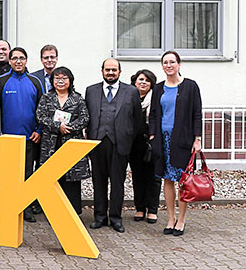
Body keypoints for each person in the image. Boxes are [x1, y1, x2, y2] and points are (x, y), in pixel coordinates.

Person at [85, 58, 141, 233]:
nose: (110, 73)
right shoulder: (91, 91)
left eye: (114, 70)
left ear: (120, 72)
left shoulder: (131, 91)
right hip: (97, 142)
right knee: (98, 181)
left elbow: (137, 119)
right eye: (107, 69)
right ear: (102, 71)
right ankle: (100, 216)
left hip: (120, 143)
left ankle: (116, 217)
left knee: (117, 182)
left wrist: (129, 138)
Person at [149, 51, 202, 237]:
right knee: (167, 178)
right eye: (165, 62)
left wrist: (197, 139)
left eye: (172, 62)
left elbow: (197, 113)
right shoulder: (158, 88)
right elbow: (154, 114)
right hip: (163, 140)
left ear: (179, 64)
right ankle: (170, 218)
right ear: (162, 66)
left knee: (183, 180)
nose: (169, 65)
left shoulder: (190, 86)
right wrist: (153, 135)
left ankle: (181, 219)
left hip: (183, 140)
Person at [0, 47, 43, 222]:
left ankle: (26, 208)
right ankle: (6, 207)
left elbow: (41, 110)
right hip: (5, 139)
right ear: (10, 61)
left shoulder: (35, 82)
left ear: (27, 61)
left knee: (27, 175)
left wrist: (39, 131)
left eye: (22, 58)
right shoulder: (0, 82)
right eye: (14, 58)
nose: (18, 61)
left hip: (29, 139)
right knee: (4, 176)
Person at [35, 66, 90, 216]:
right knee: (52, 178)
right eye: (57, 78)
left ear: (70, 80)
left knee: (71, 178)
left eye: (64, 78)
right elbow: (40, 116)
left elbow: (84, 118)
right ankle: (52, 212)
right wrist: (57, 126)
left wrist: (69, 127)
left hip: (71, 142)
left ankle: (72, 211)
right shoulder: (46, 97)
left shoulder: (78, 98)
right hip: (50, 144)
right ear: (52, 81)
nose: (60, 81)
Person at [130, 69, 160, 224]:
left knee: (153, 177)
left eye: (147, 80)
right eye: (140, 79)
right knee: (137, 177)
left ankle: (153, 209)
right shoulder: (129, 97)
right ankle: (140, 208)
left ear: (151, 84)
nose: (143, 82)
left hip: (152, 143)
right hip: (134, 145)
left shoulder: (155, 99)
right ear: (135, 81)